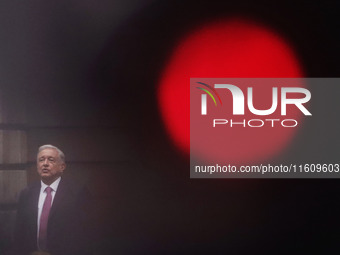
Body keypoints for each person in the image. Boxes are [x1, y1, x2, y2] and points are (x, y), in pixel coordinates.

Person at [13, 145, 93, 255]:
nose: (45, 163)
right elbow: (19, 233)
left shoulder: (77, 193)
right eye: (41, 160)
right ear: (37, 165)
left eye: (51, 160)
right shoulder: (26, 193)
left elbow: (85, 234)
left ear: (62, 166)